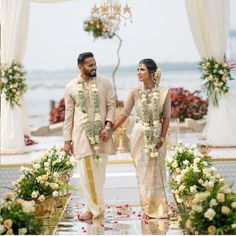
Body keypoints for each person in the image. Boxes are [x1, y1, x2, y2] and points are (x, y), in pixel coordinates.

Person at [105, 58, 171, 219]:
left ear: (152, 73)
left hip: (157, 136)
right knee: (143, 173)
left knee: (157, 172)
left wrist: (161, 139)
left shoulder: (164, 93)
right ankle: (148, 207)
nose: (138, 73)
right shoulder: (134, 92)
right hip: (139, 135)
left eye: (142, 70)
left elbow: (167, 118)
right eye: (137, 69)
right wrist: (110, 129)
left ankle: (160, 208)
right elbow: (125, 114)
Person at [63, 52, 116, 220]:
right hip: (81, 136)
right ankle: (95, 210)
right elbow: (68, 116)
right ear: (80, 67)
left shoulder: (105, 83)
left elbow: (111, 106)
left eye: (95, 64)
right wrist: (67, 140)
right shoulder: (70, 87)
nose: (94, 67)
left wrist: (108, 127)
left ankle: (92, 206)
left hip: (102, 135)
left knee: (99, 176)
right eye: (90, 65)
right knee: (87, 175)